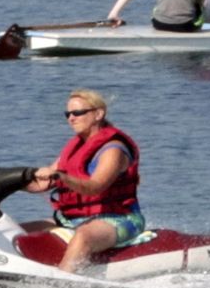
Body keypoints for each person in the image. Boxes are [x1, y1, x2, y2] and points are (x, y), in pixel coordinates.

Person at [25, 89, 143, 272]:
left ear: (98, 114)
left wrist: (61, 176)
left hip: (119, 218)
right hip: (73, 219)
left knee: (83, 236)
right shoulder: (75, 148)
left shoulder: (114, 150)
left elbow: (95, 187)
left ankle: (57, 286)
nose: (71, 118)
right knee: (16, 230)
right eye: (68, 114)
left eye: (77, 113)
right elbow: (40, 184)